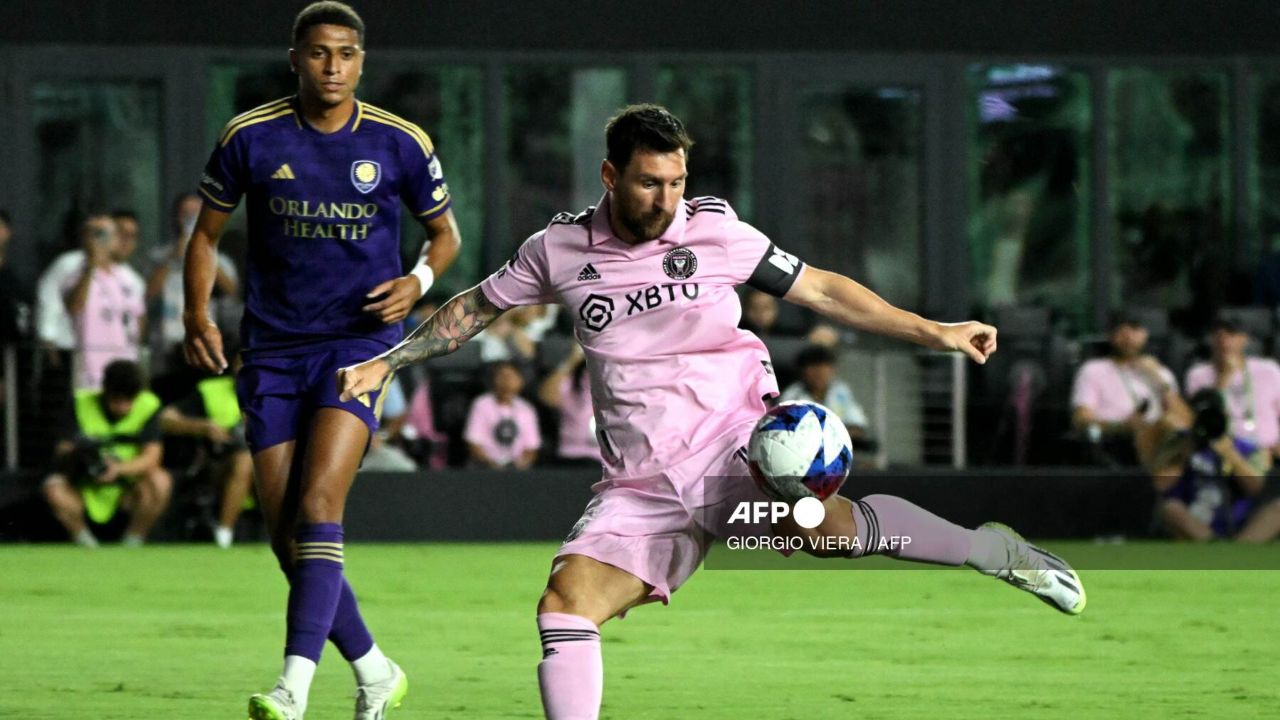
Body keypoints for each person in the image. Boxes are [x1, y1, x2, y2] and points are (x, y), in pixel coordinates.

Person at [338, 104, 1086, 720]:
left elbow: (822, 289)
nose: (665, 200)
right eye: (648, 183)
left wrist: (936, 331)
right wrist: (384, 362)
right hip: (640, 487)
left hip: (739, 454)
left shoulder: (715, 231)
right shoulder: (557, 249)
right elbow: (472, 309)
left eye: (676, 182)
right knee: (565, 604)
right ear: (610, 175)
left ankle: (996, 552)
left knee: (832, 538)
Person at [183, 3, 461, 718]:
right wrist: (196, 315)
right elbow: (206, 236)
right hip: (272, 348)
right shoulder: (250, 136)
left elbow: (445, 236)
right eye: (318, 53)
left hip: (359, 346)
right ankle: (374, 672)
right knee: (287, 540)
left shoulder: (400, 143)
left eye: (345, 54)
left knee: (317, 507)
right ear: (295, 59)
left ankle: (292, 689)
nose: (332, 66)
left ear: (361, 62)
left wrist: (418, 283)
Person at [41, 359, 171, 547]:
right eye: (117, 400)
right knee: (53, 488)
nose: (123, 408)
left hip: (126, 490)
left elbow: (152, 457)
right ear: (105, 390)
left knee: (161, 481)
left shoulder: (149, 405)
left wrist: (117, 469)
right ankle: (85, 541)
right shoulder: (80, 403)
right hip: (84, 486)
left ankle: (133, 540)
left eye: (129, 401)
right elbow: (62, 451)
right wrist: (82, 459)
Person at [1151, 389, 1280, 542]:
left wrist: (1231, 455)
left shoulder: (1246, 448)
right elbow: (1160, 485)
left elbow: (1255, 488)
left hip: (1240, 524)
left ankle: (1240, 549)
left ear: (1225, 416)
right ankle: (1214, 545)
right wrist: (1184, 454)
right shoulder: (1179, 443)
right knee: (1171, 508)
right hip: (1195, 521)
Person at [158, 357, 254, 549]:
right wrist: (204, 427)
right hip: (218, 464)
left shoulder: (282, 391)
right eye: (241, 361)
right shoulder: (210, 390)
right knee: (244, 460)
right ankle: (224, 534)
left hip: (271, 466)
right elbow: (165, 419)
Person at [1070, 310, 1179, 468]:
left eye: (1134, 329)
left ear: (1145, 334)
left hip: (1156, 449)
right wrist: (1121, 427)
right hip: (1111, 446)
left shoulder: (1162, 373)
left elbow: (1181, 419)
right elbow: (1081, 420)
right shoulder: (1093, 370)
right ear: (1110, 336)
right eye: (1121, 330)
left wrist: (1158, 378)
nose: (1128, 337)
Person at [146, 193, 239, 372]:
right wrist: (176, 254)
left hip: (203, 339)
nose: (190, 218)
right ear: (175, 217)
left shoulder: (221, 258)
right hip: (166, 345)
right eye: (185, 213)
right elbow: (149, 292)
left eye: (196, 213)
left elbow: (232, 291)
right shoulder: (159, 255)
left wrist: (202, 253)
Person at [63, 213, 147, 390]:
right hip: (90, 372)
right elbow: (74, 306)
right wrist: (91, 264)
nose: (101, 239)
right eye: (96, 233)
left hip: (125, 368)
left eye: (106, 233)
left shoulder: (129, 279)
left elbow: (138, 322)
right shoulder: (74, 275)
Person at [1184, 315, 1280, 460]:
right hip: (1221, 455)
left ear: (1244, 339)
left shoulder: (1269, 370)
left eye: (1231, 335)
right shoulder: (1197, 375)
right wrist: (1224, 378)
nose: (1225, 341)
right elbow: (1203, 420)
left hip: (1268, 453)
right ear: (1211, 340)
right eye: (1219, 335)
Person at [780, 344, 870, 439]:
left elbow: (857, 425)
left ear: (832, 369)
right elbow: (784, 431)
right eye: (813, 367)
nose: (819, 373)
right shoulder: (792, 395)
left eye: (823, 366)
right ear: (802, 371)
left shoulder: (840, 391)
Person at [464, 360, 542, 469]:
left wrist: (520, 464)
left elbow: (532, 448)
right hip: (485, 468)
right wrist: (492, 465)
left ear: (520, 381)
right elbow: (474, 443)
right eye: (502, 376)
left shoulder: (527, 409)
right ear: (493, 380)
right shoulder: (481, 404)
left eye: (511, 376)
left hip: (517, 471)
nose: (506, 381)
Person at [538, 342, 601, 465]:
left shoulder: (617, 379)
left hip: (609, 459)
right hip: (572, 454)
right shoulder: (573, 381)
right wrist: (571, 361)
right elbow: (547, 397)